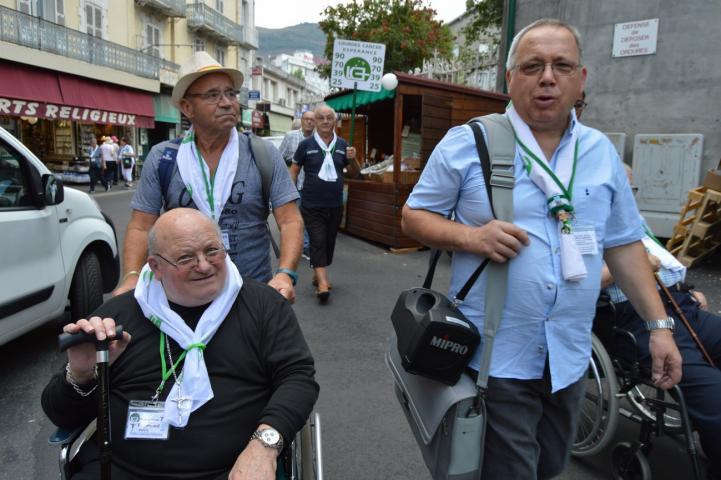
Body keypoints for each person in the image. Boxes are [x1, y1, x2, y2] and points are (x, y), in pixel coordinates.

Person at [401, 18, 681, 479]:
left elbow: (623, 245)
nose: (547, 77)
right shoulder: (469, 142)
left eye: (561, 66)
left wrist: (659, 328)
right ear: (510, 78)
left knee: (549, 465)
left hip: (569, 356)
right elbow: (413, 217)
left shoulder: (600, 152)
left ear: (581, 78)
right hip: (495, 358)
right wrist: (471, 237)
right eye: (532, 66)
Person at [42, 208, 319, 480]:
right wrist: (81, 374)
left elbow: (298, 378)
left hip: (234, 470)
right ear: (156, 267)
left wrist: (264, 446)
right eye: (186, 257)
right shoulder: (114, 319)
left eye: (212, 250)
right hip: (123, 469)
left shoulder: (263, 306)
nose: (204, 265)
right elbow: (62, 415)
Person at [116, 52, 303, 303]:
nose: (227, 103)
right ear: (187, 107)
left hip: (253, 293)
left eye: (231, 94)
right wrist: (131, 276)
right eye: (213, 95)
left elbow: (290, 220)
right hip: (184, 296)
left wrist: (285, 274)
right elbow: (141, 226)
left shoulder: (262, 153)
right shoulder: (163, 158)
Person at [603, 165, 721, 480]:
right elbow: (573, 284)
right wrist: (632, 266)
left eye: (631, 188)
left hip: (679, 305)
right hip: (633, 318)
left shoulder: (632, 217)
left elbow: (664, 263)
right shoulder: (574, 222)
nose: (628, 195)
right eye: (621, 187)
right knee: (714, 396)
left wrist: (687, 289)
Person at [289, 104, 359, 302]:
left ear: (335, 121)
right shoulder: (306, 145)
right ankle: (322, 283)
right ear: (315, 121)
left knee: (328, 243)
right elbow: (294, 171)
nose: (326, 121)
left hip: (335, 204)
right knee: (317, 240)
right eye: (321, 118)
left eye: (329, 117)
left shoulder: (344, 145)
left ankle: (317, 273)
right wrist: (290, 197)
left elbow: (354, 173)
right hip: (311, 203)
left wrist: (353, 160)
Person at [280, 110, 315, 258]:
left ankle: (304, 245)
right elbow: (279, 157)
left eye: (312, 120)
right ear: (301, 121)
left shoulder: (318, 139)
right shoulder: (291, 136)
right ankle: (303, 246)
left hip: (312, 186)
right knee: (296, 217)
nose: (309, 122)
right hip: (294, 184)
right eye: (306, 119)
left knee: (309, 217)